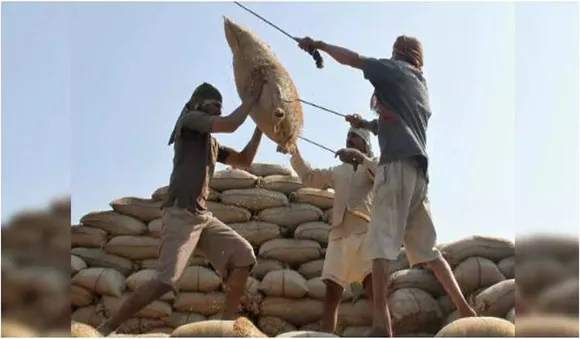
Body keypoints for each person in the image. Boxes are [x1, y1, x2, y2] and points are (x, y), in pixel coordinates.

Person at [295, 36, 477, 336]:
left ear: (398, 55)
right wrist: (366, 124)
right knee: (429, 250)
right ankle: (464, 309)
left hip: (394, 170)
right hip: (419, 175)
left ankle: (381, 325)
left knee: (379, 248)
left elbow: (353, 58)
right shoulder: (420, 86)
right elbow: (390, 123)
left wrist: (319, 45)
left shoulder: (392, 71)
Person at [97, 76, 266, 336]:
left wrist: (261, 128)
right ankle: (107, 328)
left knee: (244, 256)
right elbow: (231, 124)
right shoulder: (189, 122)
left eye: (220, 108)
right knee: (165, 281)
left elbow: (244, 160)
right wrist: (251, 101)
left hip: (201, 217)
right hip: (179, 213)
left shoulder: (211, 142)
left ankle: (226, 327)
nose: (218, 111)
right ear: (197, 104)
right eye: (213, 106)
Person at [280, 127, 377, 334]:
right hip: (339, 235)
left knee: (374, 290)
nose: (349, 139)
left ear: (365, 143)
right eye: (347, 136)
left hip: (364, 234)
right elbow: (310, 177)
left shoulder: (372, 165)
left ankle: (384, 332)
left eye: (354, 136)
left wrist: (360, 158)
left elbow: (383, 177)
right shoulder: (337, 171)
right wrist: (294, 151)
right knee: (332, 293)